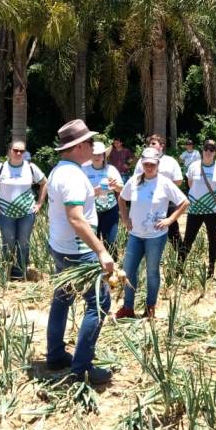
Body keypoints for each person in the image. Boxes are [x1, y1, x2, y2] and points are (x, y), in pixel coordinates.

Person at [44, 119, 116, 385]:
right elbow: (75, 218)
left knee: (61, 299)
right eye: (89, 143)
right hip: (79, 251)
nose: (93, 147)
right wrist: (101, 251)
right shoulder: (73, 175)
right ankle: (81, 368)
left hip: (60, 248)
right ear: (78, 146)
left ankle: (54, 355)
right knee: (98, 304)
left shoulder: (58, 171)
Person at [117, 147, 189, 319]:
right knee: (128, 270)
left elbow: (184, 202)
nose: (149, 167)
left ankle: (150, 308)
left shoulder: (164, 183)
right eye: (146, 164)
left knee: (152, 272)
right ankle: (128, 307)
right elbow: (121, 198)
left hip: (155, 237)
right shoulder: (134, 181)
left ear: (158, 164)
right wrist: (125, 219)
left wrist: (169, 220)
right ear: (142, 163)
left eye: (152, 164)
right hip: (135, 235)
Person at [0, 140, 47, 281]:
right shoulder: (1, 168)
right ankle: (6, 271)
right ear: (9, 151)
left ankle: (20, 272)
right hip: (5, 214)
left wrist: (39, 204)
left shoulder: (31, 167)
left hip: (27, 213)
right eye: (15, 150)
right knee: (9, 241)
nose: (18, 153)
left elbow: (44, 183)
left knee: (23, 242)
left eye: (21, 151)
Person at [180, 139, 216, 278]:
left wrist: (210, 198)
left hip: (212, 210)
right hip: (195, 209)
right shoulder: (194, 166)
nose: (208, 151)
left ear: (215, 152)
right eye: (206, 148)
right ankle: (179, 267)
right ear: (202, 150)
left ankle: (211, 269)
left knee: (213, 239)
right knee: (188, 238)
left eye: (212, 149)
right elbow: (190, 184)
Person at [134, 135, 184, 250]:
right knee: (147, 229)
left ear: (161, 146)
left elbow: (179, 180)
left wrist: (165, 191)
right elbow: (136, 179)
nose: (150, 146)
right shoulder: (141, 162)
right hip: (146, 202)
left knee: (173, 232)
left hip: (168, 201)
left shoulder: (170, 161)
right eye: (149, 144)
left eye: (153, 143)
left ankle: (180, 260)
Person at [82, 141, 124, 258]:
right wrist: (96, 190)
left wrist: (115, 186)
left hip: (110, 209)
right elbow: (80, 193)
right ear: (90, 155)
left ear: (104, 156)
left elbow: (122, 189)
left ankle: (113, 269)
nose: (97, 157)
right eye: (94, 154)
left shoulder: (111, 169)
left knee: (110, 242)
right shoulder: (83, 170)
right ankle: (95, 269)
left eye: (100, 154)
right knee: (92, 242)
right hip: (90, 211)